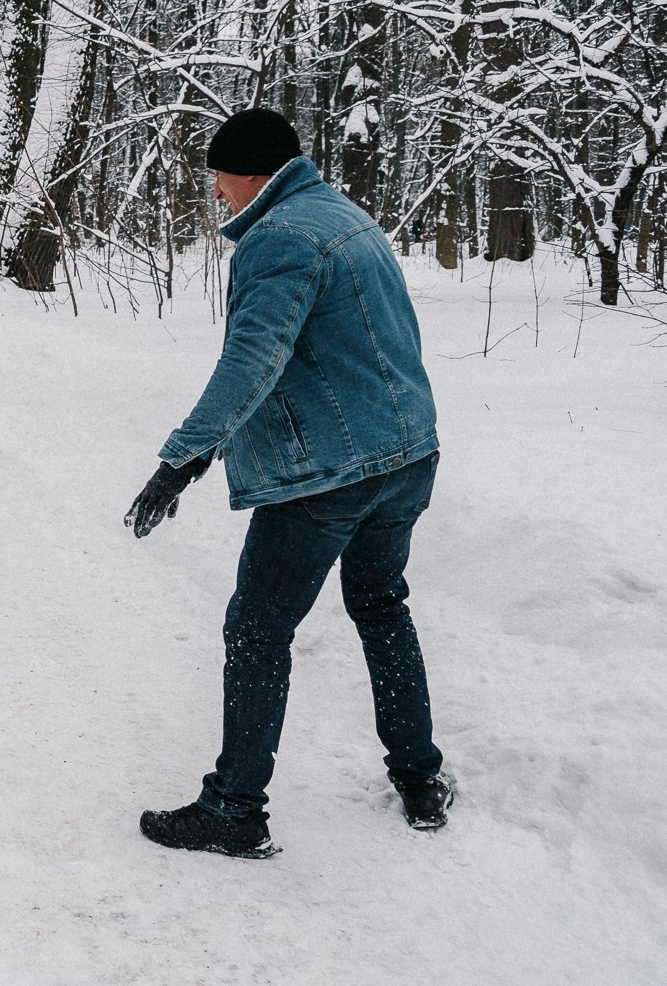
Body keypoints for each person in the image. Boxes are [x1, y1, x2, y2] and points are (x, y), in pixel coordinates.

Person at [125, 109, 450, 858]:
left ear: (250, 173)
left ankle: (234, 808)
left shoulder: (277, 238)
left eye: (219, 176)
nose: (216, 190)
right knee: (379, 604)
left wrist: (182, 459)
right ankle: (421, 778)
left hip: (326, 475)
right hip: (406, 454)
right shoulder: (345, 216)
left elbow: (253, 359)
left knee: (257, 629)